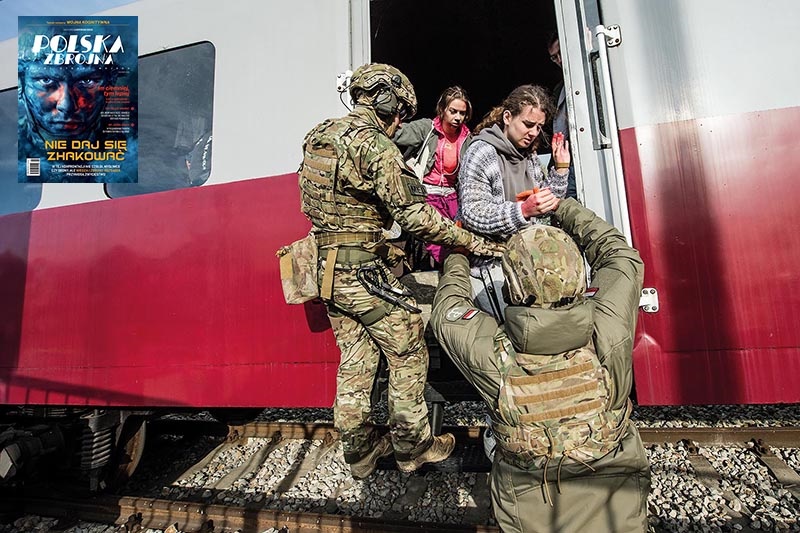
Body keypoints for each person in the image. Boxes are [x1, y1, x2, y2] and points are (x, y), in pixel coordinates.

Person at [297, 63, 504, 479]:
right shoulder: (376, 147)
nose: (399, 124)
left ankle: (359, 451)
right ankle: (414, 446)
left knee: (356, 357)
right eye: (399, 115)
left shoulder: (319, 134)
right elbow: (416, 218)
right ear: (388, 103)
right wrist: (474, 242)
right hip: (360, 268)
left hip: (324, 267)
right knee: (408, 339)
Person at [430, 197, 650, 532]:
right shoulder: (608, 327)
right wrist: (562, 207)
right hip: (618, 511)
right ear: (578, 271)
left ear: (512, 288)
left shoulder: (493, 354)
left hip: (531, 518)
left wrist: (457, 254)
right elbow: (619, 255)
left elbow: (448, 310)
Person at [457, 84, 570, 318]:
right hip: (490, 265)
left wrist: (560, 169)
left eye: (539, 127)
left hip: (528, 259)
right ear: (507, 117)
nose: (534, 133)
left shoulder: (528, 157)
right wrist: (523, 211)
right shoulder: (481, 152)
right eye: (528, 125)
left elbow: (544, 207)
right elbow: (473, 212)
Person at [393, 86, 473, 266]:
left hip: (453, 197)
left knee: (460, 238)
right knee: (436, 238)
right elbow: (395, 135)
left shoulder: (468, 138)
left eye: (462, 113)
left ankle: (455, 273)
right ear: (442, 109)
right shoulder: (427, 129)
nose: (457, 117)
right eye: (453, 111)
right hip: (428, 194)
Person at [546, 32, 578, 199]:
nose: (559, 60)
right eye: (554, 57)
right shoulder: (560, 89)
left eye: (561, 53)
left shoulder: (590, 76)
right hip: (567, 162)